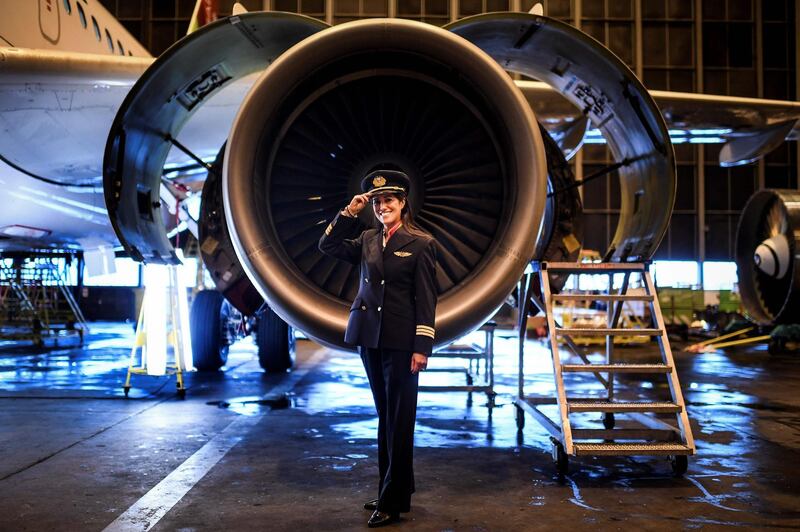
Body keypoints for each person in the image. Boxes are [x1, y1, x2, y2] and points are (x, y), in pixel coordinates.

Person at [318, 168, 437, 528]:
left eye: (389, 200)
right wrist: (349, 213)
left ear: (403, 203)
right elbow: (328, 246)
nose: (383, 205)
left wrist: (422, 346)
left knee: (400, 421)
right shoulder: (369, 238)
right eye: (378, 201)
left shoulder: (421, 243)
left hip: (402, 343)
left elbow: (427, 299)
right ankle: (394, 490)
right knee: (387, 418)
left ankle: (392, 500)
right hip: (370, 338)